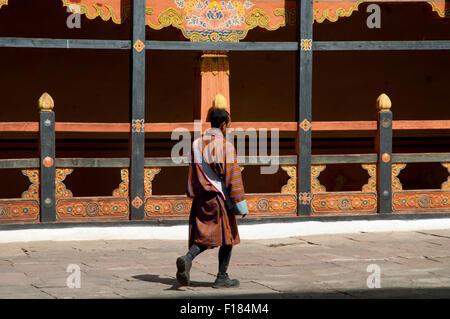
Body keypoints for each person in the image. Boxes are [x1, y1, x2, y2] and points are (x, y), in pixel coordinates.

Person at [176, 108, 248, 289]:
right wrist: (240, 203)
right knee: (228, 237)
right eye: (228, 125)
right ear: (224, 125)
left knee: (204, 236)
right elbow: (233, 177)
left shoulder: (195, 145)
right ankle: (222, 277)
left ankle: (188, 258)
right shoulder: (225, 147)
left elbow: (192, 174)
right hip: (219, 199)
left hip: (201, 198)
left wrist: (194, 193)